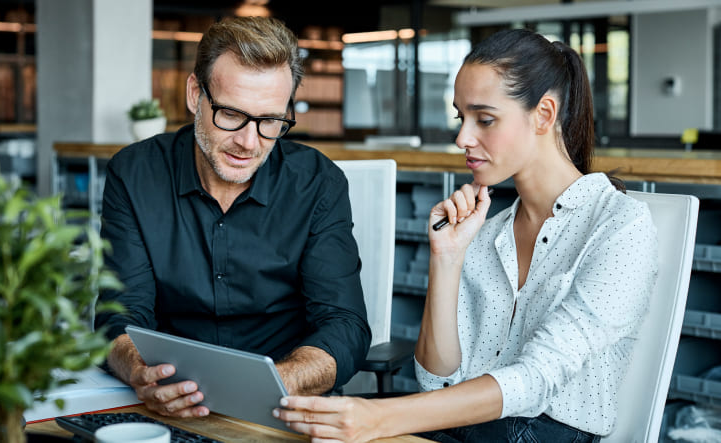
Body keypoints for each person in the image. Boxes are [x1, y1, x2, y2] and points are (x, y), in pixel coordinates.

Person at [274, 28, 657, 442]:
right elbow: (435, 379)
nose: (462, 138)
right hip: (465, 429)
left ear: (544, 114)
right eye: (461, 117)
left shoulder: (620, 227)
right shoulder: (485, 231)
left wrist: (379, 418)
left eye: (485, 119)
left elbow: (535, 380)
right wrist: (447, 258)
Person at [94, 16, 371, 419]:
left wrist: (277, 382)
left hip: (283, 405)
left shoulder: (318, 184)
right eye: (230, 114)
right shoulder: (134, 174)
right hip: (168, 400)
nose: (248, 141)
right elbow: (120, 314)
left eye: (270, 121)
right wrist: (140, 372)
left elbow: (344, 325)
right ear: (195, 94)